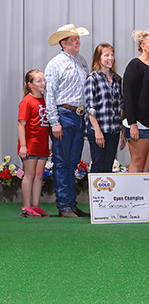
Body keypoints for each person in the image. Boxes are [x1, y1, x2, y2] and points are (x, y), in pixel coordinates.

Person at [45, 24, 90, 218]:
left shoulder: (81, 61)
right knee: (62, 162)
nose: (77, 42)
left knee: (72, 162)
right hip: (64, 115)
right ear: (63, 43)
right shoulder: (54, 64)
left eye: (78, 39)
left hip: (79, 116)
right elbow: (50, 94)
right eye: (73, 40)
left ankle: (71, 204)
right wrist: (54, 121)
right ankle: (64, 205)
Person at [123, 30, 149, 172]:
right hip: (139, 122)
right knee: (138, 161)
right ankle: (132, 194)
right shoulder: (135, 65)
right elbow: (128, 96)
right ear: (142, 45)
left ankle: (146, 195)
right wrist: (132, 124)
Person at [85, 43, 126, 173]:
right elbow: (90, 108)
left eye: (112, 55)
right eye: (106, 55)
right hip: (99, 129)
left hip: (113, 130)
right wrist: (97, 131)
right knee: (98, 165)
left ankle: (106, 193)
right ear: (98, 58)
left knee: (108, 166)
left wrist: (122, 131)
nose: (110, 58)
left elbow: (120, 106)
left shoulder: (117, 79)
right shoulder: (93, 78)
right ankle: (96, 194)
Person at [17, 70, 50, 218]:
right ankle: (26, 207)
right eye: (38, 81)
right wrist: (23, 146)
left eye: (43, 80)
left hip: (42, 144)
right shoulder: (26, 101)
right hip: (30, 143)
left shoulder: (46, 99)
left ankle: (36, 206)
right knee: (29, 175)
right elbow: (21, 124)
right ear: (30, 85)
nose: (42, 83)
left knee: (39, 175)